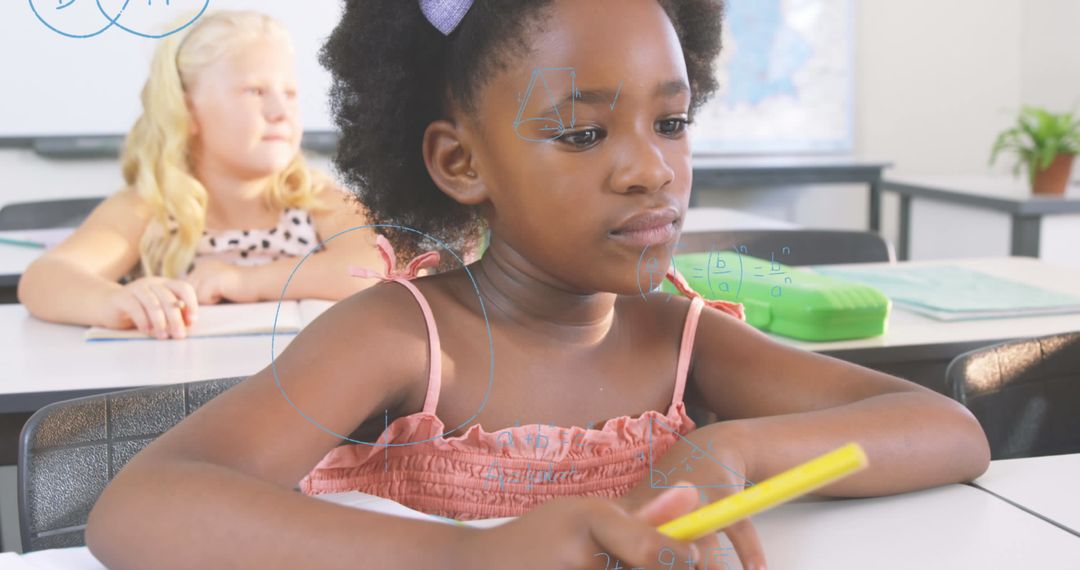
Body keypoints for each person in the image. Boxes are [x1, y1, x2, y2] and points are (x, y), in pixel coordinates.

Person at [86, 1, 991, 568]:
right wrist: (467, 559)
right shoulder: (404, 337)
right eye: (583, 134)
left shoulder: (680, 339)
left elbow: (947, 429)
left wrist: (731, 453)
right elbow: (140, 508)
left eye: (671, 121)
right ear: (458, 160)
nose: (652, 170)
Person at [18, 10, 381, 340]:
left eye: (290, 94)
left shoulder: (320, 201)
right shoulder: (151, 207)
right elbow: (43, 280)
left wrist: (246, 281)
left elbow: (381, 266)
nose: (280, 111)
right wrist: (112, 301)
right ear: (186, 111)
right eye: (255, 91)